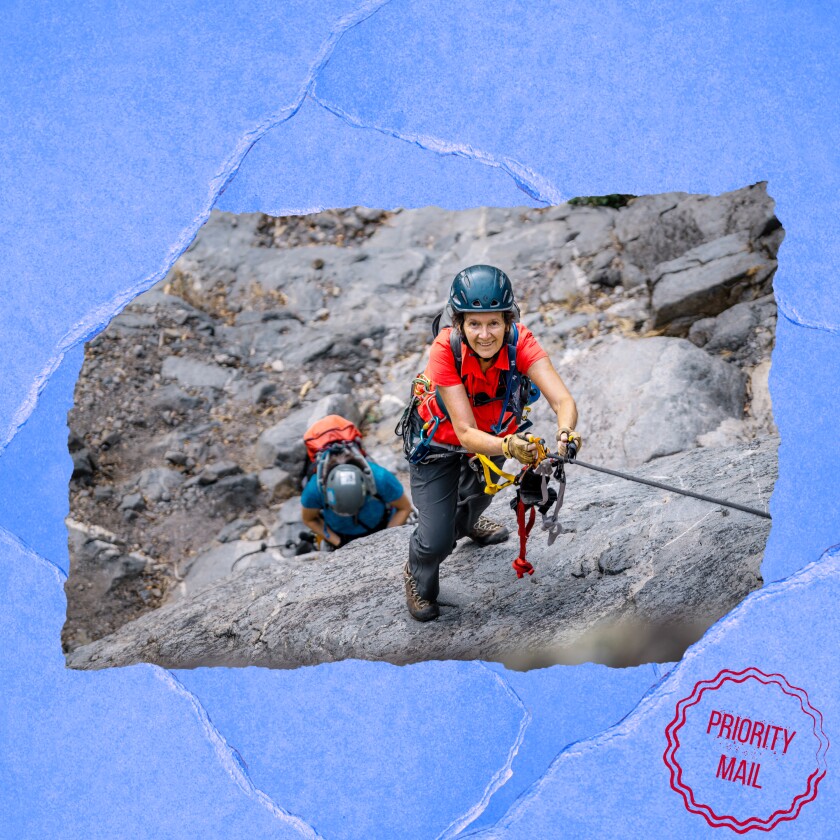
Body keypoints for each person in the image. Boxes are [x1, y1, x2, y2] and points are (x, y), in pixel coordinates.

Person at [402, 264, 580, 621]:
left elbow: (563, 401)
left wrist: (566, 432)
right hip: (438, 446)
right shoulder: (445, 349)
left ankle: (468, 523)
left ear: (508, 320)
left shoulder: (521, 342)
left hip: (496, 439)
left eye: (494, 323)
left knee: (480, 498)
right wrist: (511, 447)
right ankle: (416, 574)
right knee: (435, 540)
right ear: (460, 324)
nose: (485, 334)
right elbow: (465, 431)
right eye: (475, 324)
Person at [300, 455, 413, 551]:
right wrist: (339, 543)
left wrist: (386, 539)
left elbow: (404, 508)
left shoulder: (380, 478)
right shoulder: (315, 490)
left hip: (382, 526)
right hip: (341, 536)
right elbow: (309, 519)